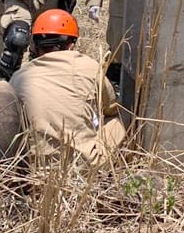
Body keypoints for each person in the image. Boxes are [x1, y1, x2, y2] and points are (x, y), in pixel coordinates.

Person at [9, 9, 125, 164]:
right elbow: (111, 108)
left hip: (33, 167)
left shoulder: (19, 77)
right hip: (83, 166)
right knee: (123, 117)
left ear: (35, 45)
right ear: (71, 46)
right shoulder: (88, 66)